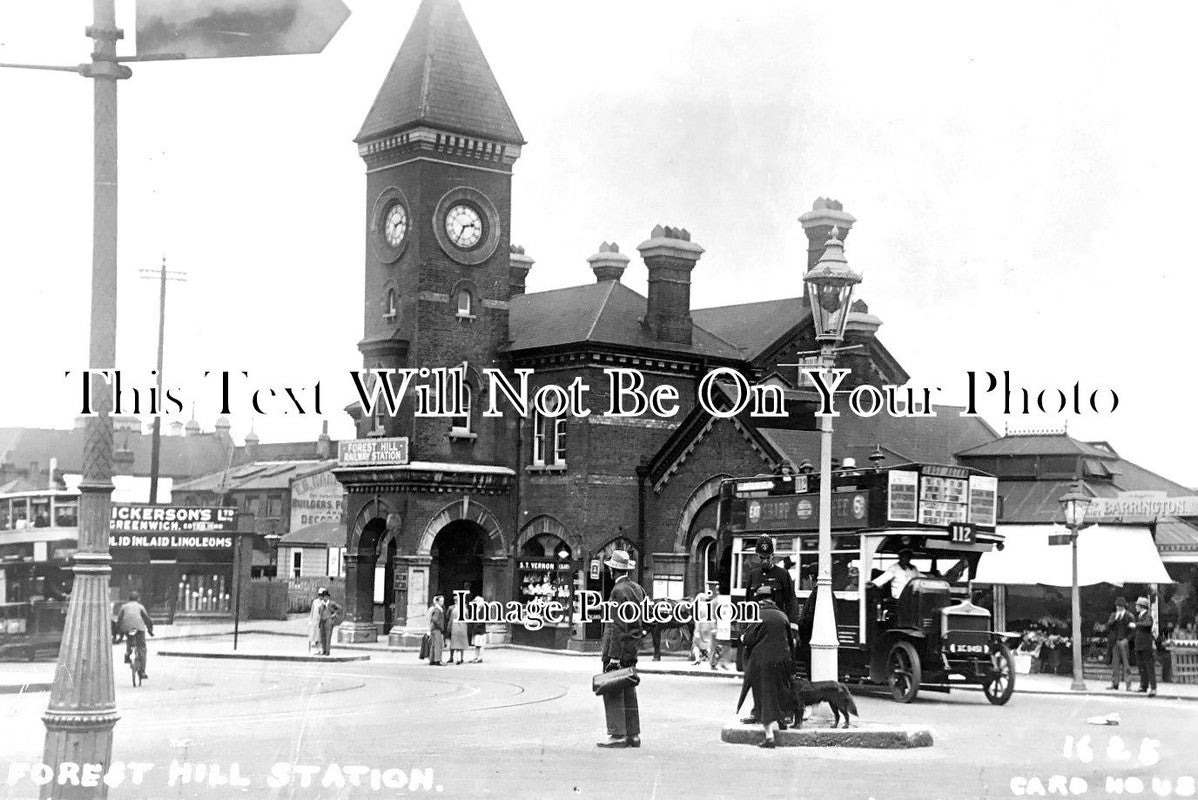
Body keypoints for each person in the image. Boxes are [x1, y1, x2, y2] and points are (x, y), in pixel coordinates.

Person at [741, 536, 796, 722]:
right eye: (761, 557)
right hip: (758, 631)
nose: (765, 561)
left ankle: (785, 713)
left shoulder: (783, 575)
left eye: (768, 557)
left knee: (781, 673)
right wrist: (746, 630)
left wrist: (793, 630)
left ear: (773, 555)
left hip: (778, 630)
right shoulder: (753, 575)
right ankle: (758, 712)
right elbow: (748, 604)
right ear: (757, 555)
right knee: (756, 671)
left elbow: (791, 602)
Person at [597, 549, 646, 749]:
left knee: (613, 690)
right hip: (632, 648)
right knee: (629, 689)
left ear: (612, 571)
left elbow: (617, 625)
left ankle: (617, 735)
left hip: (616, 650)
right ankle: (633, 735)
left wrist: (613, 657)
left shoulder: (617, 591)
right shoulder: (638, 589)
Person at [737, 585, 795, 749]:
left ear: (759, 600)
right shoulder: (783, 616)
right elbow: (790, 642)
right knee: (780, 692)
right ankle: (782, 721)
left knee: (764, 697)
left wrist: (742, 637)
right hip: (782, 660)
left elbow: (748, 640)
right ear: (772, 598)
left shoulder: (758, 615)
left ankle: (769, 737)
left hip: (762, 663)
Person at [114, 591, 154, 680]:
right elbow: (147, 620)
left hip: (127, 628)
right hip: (139, 629)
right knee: (142, 648)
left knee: (129, 639)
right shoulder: (140, 607)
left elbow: (119, 619)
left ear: (129, 599)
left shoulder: (124, 607)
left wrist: (117, 631)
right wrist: (150, 631)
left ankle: (128, 654)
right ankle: (142, 671)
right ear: (138, 599)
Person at [1106, 596, 1135, 691]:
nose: (1118, 607)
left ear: (1123, 606)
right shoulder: (1113, 615)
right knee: (1115, 664)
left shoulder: (1129, 616)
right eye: (1117, 605)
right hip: (1115, 642)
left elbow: (1133, 631)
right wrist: (1115, 618)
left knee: (1126, 664)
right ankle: (1115, 683)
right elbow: (1109, 625)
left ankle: (1128, 684)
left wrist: (1127, 640)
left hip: (1124, 642)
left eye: (1120, 606)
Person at [1133, 596, 1157, 697]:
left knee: (1149, 667)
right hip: (1139, 645)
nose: (1135, 607)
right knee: (1141, 666)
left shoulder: (1147, 616)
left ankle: (1153, 688)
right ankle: (1144, 686)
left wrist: (1136, 625)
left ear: (1142, 606)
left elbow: (1147, 624)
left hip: (1146, 646)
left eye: (1137, 605)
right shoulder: (1140, 617)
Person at [308, 587, 341, 656]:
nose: (324, 598)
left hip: (329, 622)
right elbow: (318, 612)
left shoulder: (332, 603)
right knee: (323, 637)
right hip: (322, 622)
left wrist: (334, 615)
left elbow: (339, 608)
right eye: (323, 597)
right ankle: (324, 650)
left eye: (325, 597)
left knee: (328, 637)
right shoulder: (321, 605)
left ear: (328, 597)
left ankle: (327, 651)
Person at [691, 584, 717, 665]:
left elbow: (698, 620)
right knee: (708, 643)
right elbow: (712, 617)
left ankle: (697, 659)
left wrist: (697, 631)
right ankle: (711, 659)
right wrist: (713, 628)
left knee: (696, 644)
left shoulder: (698, 608)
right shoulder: (708, 606)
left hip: (701, 626)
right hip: (708, 626)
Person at [448, 590, 470, 665]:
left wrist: (449, 627)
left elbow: (450, 619)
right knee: (461, 644)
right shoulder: (465, 609)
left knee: (456, 644)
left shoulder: (454, 610)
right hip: (462, 627)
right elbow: (467, 618)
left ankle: (457, 658)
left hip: (455, 628)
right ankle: (460, 658)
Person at [426, 595, 446, 666]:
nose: (442, 602)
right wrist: (441, 626)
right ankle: (438, 660)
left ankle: (432, 660)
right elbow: (435, 619)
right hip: (436, 629)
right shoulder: (437, 609)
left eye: (443, 601)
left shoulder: (436, 608)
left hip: (433, 629)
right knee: (438, 645)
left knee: (433, 645)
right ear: (437, 601)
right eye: (441, 601)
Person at [469, 592, 487, 663]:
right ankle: (475, 657)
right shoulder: (476, 610)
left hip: (481, 630)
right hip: (476, 630)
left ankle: (480, 657)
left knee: (481, 645)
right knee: (476, 645)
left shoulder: (483, 609)